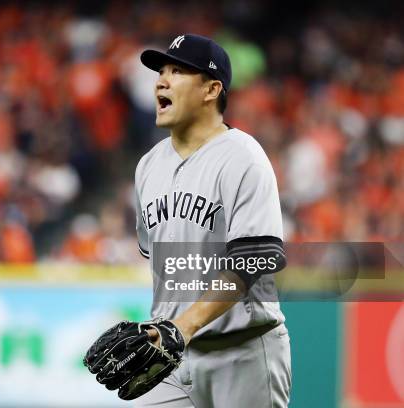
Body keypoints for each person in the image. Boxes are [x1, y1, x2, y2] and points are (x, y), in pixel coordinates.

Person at [133, 34, 291, 407]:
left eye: (178, 70)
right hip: (171, 360)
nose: (161, 80)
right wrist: (167, 327)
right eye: (161, 71)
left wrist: (181, 326)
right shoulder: (147, 167)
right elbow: (160, 261)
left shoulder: (243, 157)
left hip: (243, 353)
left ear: (211, 89)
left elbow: (254, 259)